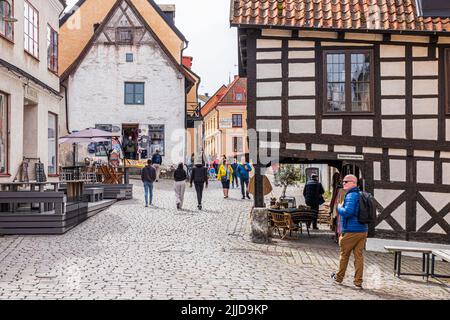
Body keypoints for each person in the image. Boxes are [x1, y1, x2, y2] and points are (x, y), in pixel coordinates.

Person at [331, 175, 368, 289]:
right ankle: (358, 282)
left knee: (344, 255)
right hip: (363, 230)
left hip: (351, 231)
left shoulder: (351, 195)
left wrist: (339, 207)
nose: (343, 183)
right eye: (343, 181)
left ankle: (339, 277)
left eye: (346, 181)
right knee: (359, 256)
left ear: (353, 183)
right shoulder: (361, 195)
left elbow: (348, 212)